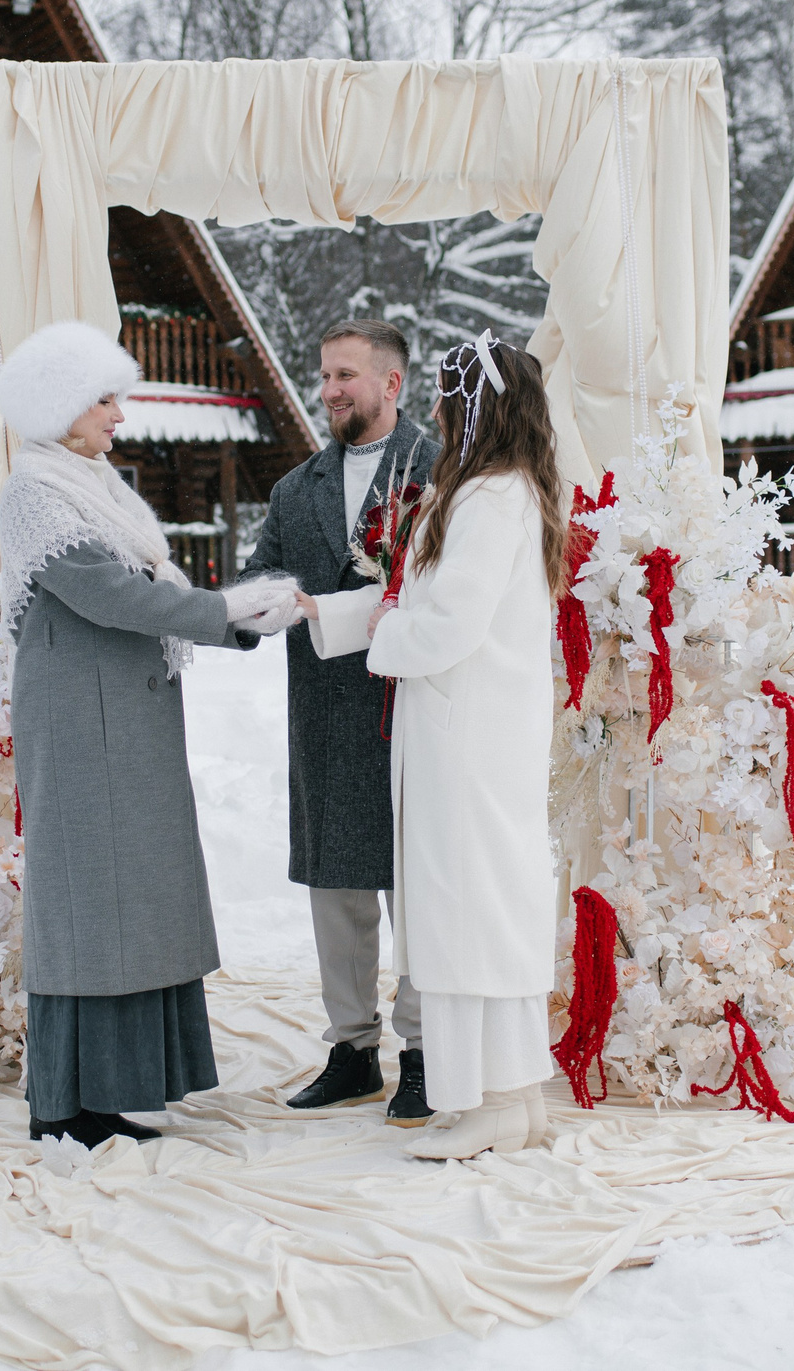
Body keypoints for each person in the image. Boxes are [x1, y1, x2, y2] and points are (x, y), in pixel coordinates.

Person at [0, 321, 302, 1148]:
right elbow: (108, 594)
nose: (118, 414)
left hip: (118, 717)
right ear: (59, 406)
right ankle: (68, 1103)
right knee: (92, 903)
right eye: (103, 398)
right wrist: (225, 611)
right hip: (82, 723)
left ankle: (114, 1088)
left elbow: (135, 587)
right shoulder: (35, 492)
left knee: (130, 901)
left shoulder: (90, 483)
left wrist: (237, 617)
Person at [300, 335, 566, 1160]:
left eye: (452, 399)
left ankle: (490, 1098)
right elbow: (418, 598)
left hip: (466, 739)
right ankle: (513, 1095)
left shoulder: (488, 498)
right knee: (483, 909)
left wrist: (387, 632)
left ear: (479, 407)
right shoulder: (503, 488)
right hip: (476, 732)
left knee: (464, 914)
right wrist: (345, 615)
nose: (441, 413)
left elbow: (447, 623)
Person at [238, 321, 440, 1126]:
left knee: (418, 891)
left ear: (392, 383)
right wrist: (227, 610)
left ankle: (424, 1051)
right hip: (323, 716)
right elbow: (264, 575)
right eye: (324, 375)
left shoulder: (442, 471)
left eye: (345, 375)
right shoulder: (297, 489)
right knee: (338, 892)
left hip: (413, 711)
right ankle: (352, 1051)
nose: (329, 390)